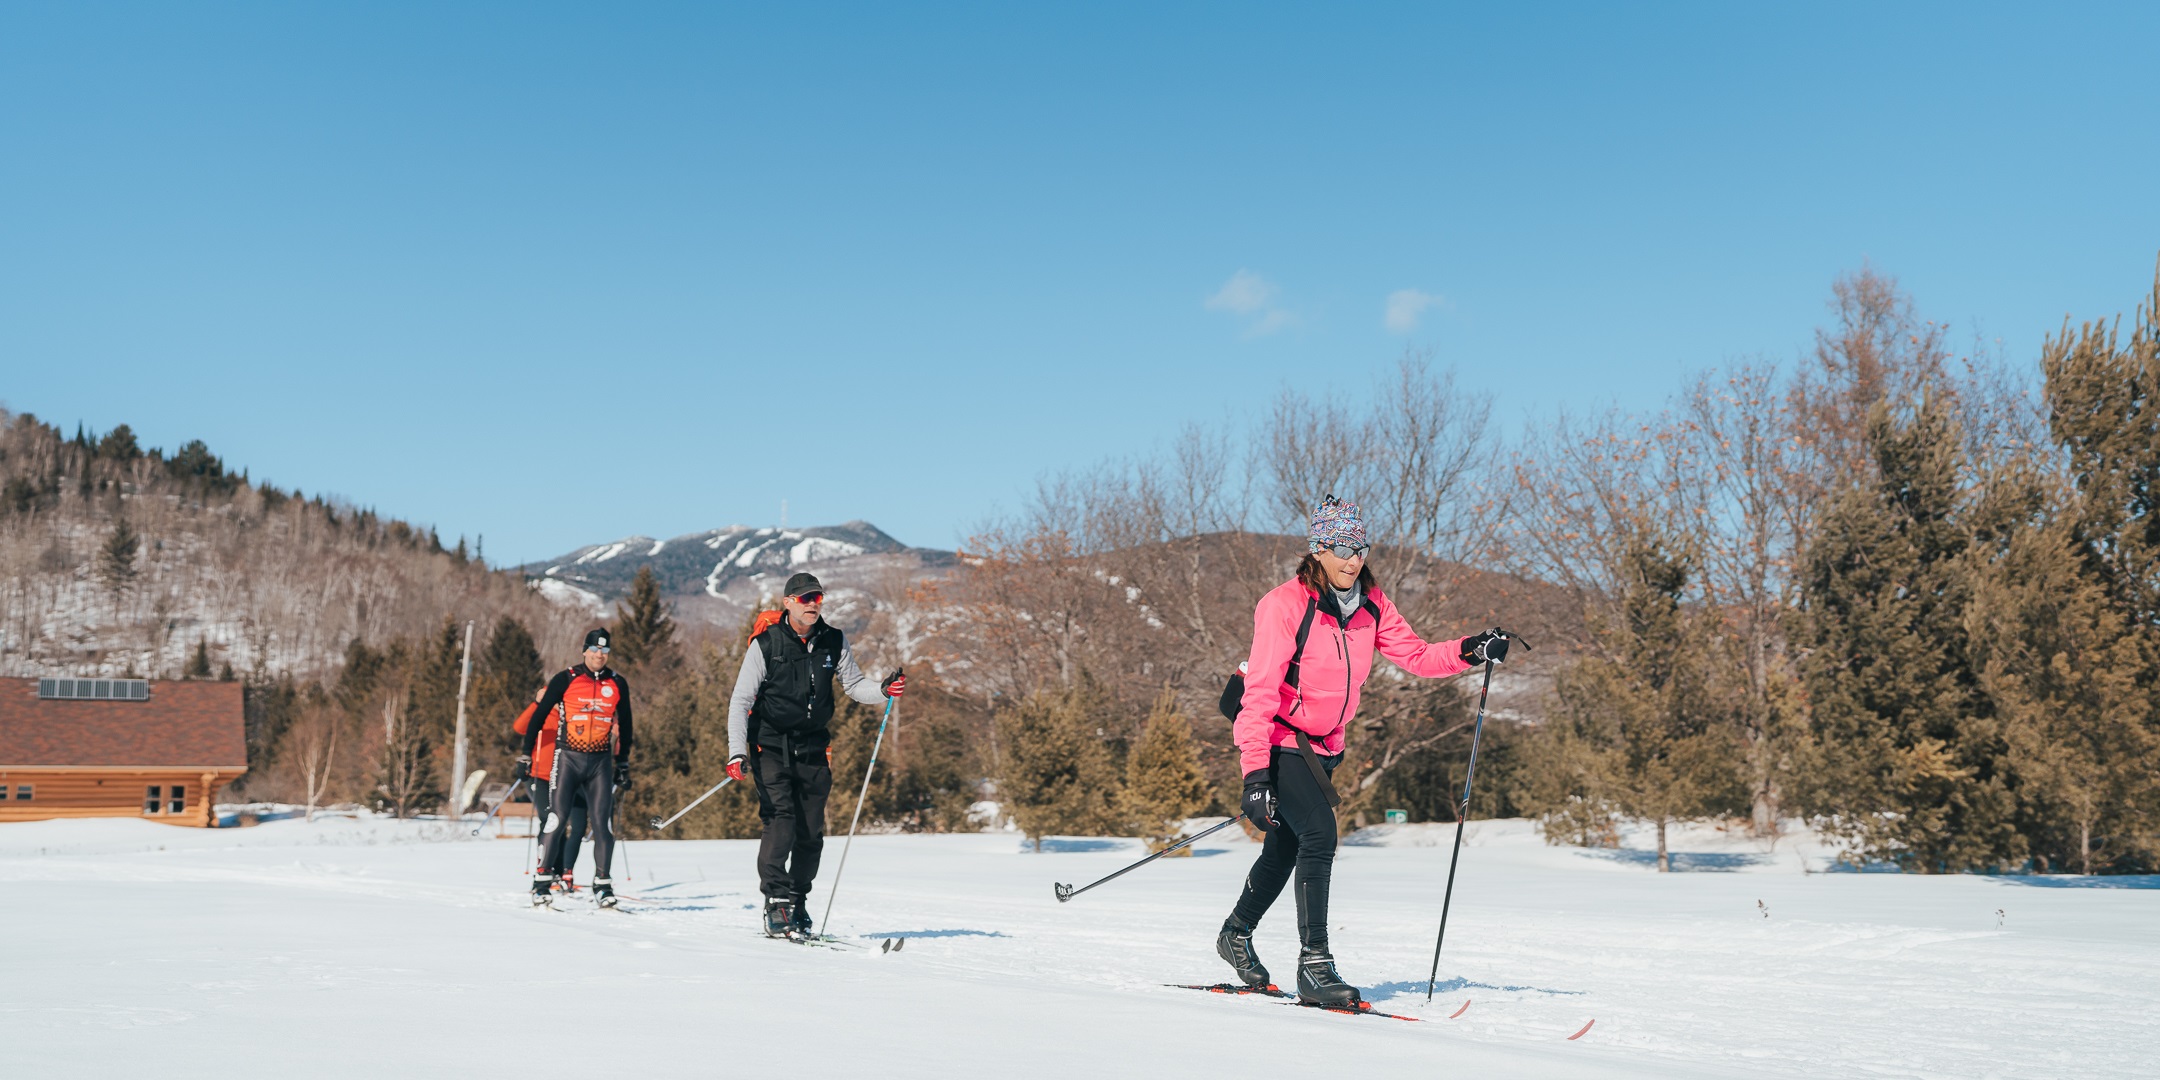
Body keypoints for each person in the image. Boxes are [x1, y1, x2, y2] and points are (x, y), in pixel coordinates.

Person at [1219, 495, 1519, 1007]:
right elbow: (1259, 694)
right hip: (1280, 738)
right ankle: (1314, 965)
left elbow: (1419, 656)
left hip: (1325, 748)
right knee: (1319, 834)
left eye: (1359, 547)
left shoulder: (1372, 604)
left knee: (1287, 847)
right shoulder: (1284, 605)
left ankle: (1236, 933)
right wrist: (1254, 777)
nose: (1352, 557)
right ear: (1317, 551)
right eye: (1340, 547)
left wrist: (1471, 649)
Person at [727, 572, 904, 937]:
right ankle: (776, 903)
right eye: (805, 598)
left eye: (818, 598)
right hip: (771, 745)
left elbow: (855, 686)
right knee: (781, 820)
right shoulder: (766, 644)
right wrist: (736, 751)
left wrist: (884, 690)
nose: (812, 605)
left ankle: (797, 899)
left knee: (810, 833)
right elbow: (740, 700)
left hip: (813, 748)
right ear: (788, 602)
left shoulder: (833, 640)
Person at [517, 629, 634, 907]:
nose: (599, 656)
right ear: (585, 651)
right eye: (594, 650)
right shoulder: (567, 678)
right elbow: (538, 716)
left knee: (602, 824)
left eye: (604, 652)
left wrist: (624, 761)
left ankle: (603, 885)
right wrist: (525, 755)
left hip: (600, 762)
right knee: (556, 819)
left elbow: (627, 724)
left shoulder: (617, 682)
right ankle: (542, 880)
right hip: (568, 758)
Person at [512, 687, 589, 892]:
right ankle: (544, 870)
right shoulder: (541, 714)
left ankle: (561, 872)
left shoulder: (570, 715)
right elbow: (520, 727)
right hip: (539, 775)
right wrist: (537, 704)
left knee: (562, 823)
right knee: (549, 819)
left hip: (564, 776)